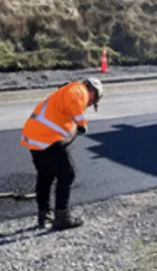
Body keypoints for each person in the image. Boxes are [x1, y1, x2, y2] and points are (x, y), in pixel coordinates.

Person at [20, 77, 103, 230]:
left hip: (34, 136)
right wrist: (82, 123)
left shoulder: (65, 93)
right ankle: (62, 217)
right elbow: (74, 101)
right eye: (93, 100)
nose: (90, 104)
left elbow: (64, 117)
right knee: (67, 174)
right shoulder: (79, 90)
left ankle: (44, 215)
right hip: (47, 137)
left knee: (46, 175)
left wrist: (74, 128)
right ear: (92, 90)